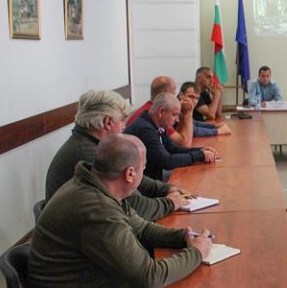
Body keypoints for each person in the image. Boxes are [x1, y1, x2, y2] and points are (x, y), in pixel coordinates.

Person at [29, 134, 211, 288]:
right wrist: (197, 254)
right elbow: (150, 277)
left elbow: (143, 229)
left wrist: (184, 237)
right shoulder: (96, 209)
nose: (144, 174)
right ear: (129, 174)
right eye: (143, 169)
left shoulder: (96, 186)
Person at [45, 90, 188, 221]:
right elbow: (133, 207)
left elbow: (135, 177)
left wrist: (165, 189)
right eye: (122, 120)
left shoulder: (90, 145)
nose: (124, 126)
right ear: (108, 122)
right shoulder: (90, 155)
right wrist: (170, 203)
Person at [125, 93, 217, 181]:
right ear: (161, 112)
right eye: (174, 114)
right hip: (144, 185)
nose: (177, 119)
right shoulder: (145, 129)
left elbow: (172, 148)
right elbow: (167, 162)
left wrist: (200, 150)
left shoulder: (157, 124)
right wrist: (198, 156)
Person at [127, 76, 197, 147]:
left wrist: (182, 116)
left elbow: (176, 139)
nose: (176, 94)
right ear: (165, 93)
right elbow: (184, 144)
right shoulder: (157, 114)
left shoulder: (150, 108)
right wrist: (188, 112)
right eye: (174, 90)